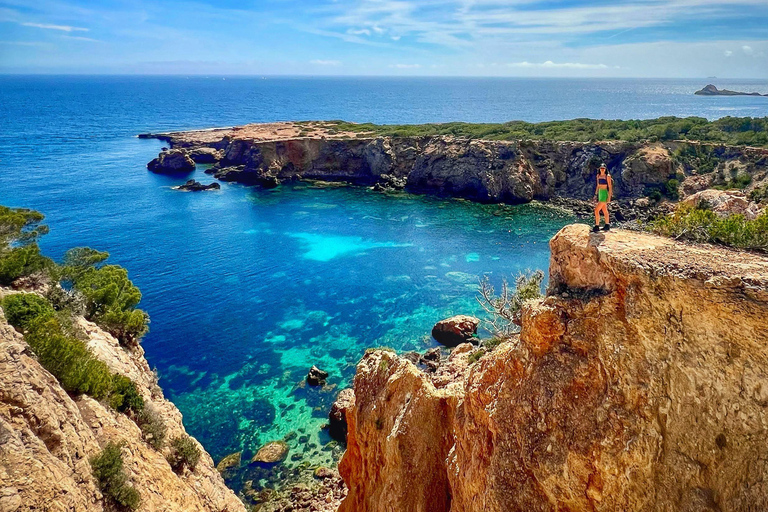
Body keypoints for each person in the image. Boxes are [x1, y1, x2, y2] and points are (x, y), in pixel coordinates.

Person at [593, 163, 613, 232]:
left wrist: (609, 197)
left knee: (596, 210)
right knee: (604, 210)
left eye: (603, 168)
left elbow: (610, 187)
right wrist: (595, 195)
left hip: (604, 193)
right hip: (600, 193)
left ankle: (596, 226)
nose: (602, 169)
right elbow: (598, 185)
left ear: (605, 169)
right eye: (601, 168)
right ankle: (607, 225)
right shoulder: (598, 176)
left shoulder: (607, 176)